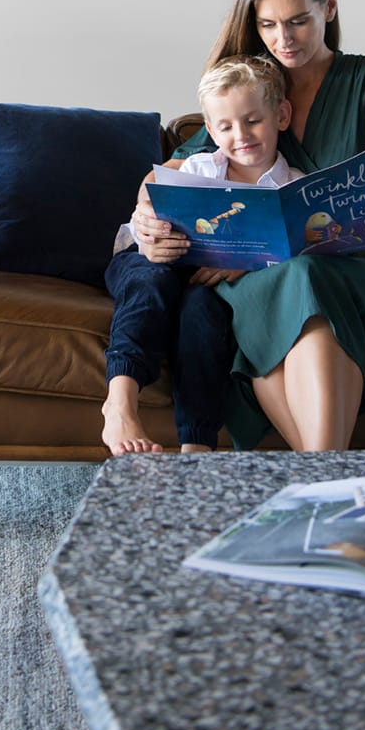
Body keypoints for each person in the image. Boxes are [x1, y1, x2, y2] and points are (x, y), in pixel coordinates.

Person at [131, 0, 365, 453]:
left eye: (298, 20)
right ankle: (325, 479)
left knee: (302, 277)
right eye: (267, 25)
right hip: (263, 275)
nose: (284, 39)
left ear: (330, 6)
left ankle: (318, 479)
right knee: (297, 284)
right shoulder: (251, 91)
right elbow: (160, 181)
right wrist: (145, 218)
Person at [101, 55, 301, 457]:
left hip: (208, 281)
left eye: (253, 120)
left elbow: (292, 252)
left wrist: (243, 263)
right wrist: (152, 231)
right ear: (210, 130)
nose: (241, 134)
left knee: (202, 312)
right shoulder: (197, 168)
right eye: (225, 126)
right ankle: (119, 401)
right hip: (149, 262)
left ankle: (197, 443)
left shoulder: (292, 187)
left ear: (281, 115)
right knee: (153, 282)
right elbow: (149, 216)